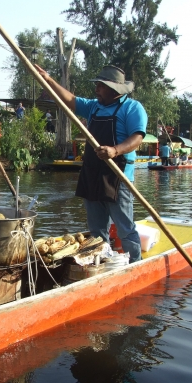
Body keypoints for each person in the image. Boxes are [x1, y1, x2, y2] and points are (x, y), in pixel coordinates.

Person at [35, 64, 147, 263]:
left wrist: (115, 150)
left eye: (100, 86)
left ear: (114, 89)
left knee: (124, 228)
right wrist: (48, 80)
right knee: (96, 231)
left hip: (117, 176)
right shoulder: (94, 107)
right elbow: (69, 100)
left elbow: (137, 137)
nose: (96, 89)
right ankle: (102, 262)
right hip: (92, 173)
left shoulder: (132, 108)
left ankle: (135, 264)